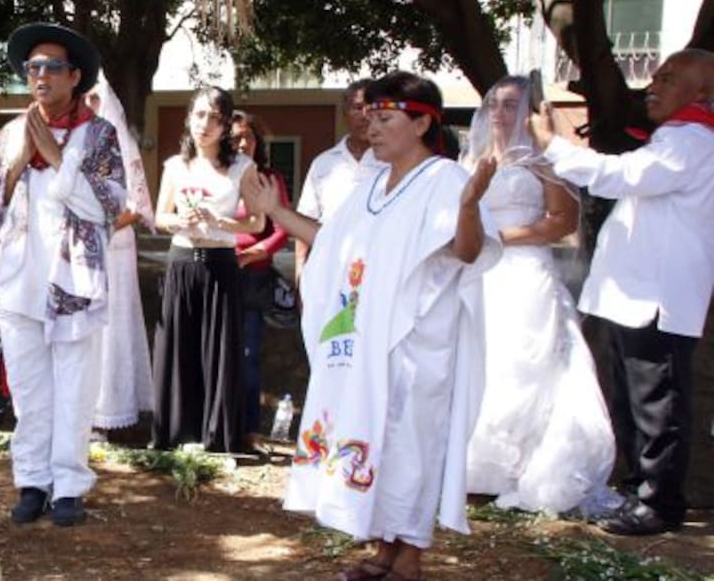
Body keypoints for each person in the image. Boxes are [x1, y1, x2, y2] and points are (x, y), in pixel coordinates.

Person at [244, 72, 500, 581]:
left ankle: (408, 558)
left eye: (385, 118)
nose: (371, 126)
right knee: (374, 436)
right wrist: (276, 212)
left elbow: (467, 251)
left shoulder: (445, 180)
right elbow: (330, 240)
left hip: (415, 344)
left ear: (423, 121)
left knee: (409, 445)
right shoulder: (371, 187)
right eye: (369, 116)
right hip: (367, 343)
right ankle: (384, 549)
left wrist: (470, 208)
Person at [529, 49, 714, 536]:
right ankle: (638, 490)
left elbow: (620, 177)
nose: (653, 85)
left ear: (703, 92)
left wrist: (554, 146)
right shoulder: (674, 140)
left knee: (659, 403)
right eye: (655, 76)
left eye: (669, 79)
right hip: (633, 294)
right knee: (636, 400)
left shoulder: (691, 141)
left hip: (657, 296)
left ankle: (659, 502)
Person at [0, 23, 125, 527]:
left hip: (75, 282)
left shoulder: (100, 134)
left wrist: (60, 160)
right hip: (20, 278)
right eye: (33, 67)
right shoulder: (10, 131)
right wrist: (19, 163)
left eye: (51, 67)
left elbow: (108, 206)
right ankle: (32, 482)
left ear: (75, 76)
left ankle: (69, 487)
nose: (39, 76)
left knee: (75, 388)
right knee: (29, 389)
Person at [463, 76, 615, 514]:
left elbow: (561, 221)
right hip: (478, 271)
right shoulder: (470, 156)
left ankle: (521, 466)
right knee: (478, 359)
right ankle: (473, 466)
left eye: (511, 105)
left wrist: (499, 238)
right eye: (494, 103)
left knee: (522, 362)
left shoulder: (542, 161)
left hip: (522, 268)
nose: (499, 113)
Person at [151, 86, 262, 454]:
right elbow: (159, 216)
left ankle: (217, 437)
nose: (205, 124)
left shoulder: (242, 168)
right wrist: (178, 220)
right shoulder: (174, 165)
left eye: (215, 117)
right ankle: (174, 433)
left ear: (226, 124)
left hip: (220, 264)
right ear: (188, 118)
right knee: (177, 348)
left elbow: (258, 222)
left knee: (219, 352)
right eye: (199, 115)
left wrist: (223, 222)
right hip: (182, 261)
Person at [83, 73, 154, 438]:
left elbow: (139, 206)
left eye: (96, 98)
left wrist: (104, 226)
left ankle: (109, 411)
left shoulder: (121, 142)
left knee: (112, 327)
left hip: (116, 247)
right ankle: (82, 410)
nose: (90, 105)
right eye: (86, 99)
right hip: (81, 248)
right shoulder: (76, 140)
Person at [231, 110, 290, 447]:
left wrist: (258, 252)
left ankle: (249, 430)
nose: (241, 143)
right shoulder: (217, 177)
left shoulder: (269, 179)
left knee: (249, 355)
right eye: (235, 137)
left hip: (252, 280)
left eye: (248, 137)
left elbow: (282, 230)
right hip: (216, 276)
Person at [294, 79, 383, 282]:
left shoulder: (393, 162)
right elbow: (306, 217)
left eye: (372, 109)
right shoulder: (323, 163)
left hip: (377, 271)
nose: (365, 116)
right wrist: (300, 270)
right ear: (345, 113)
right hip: (329, 271)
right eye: (358, 108)